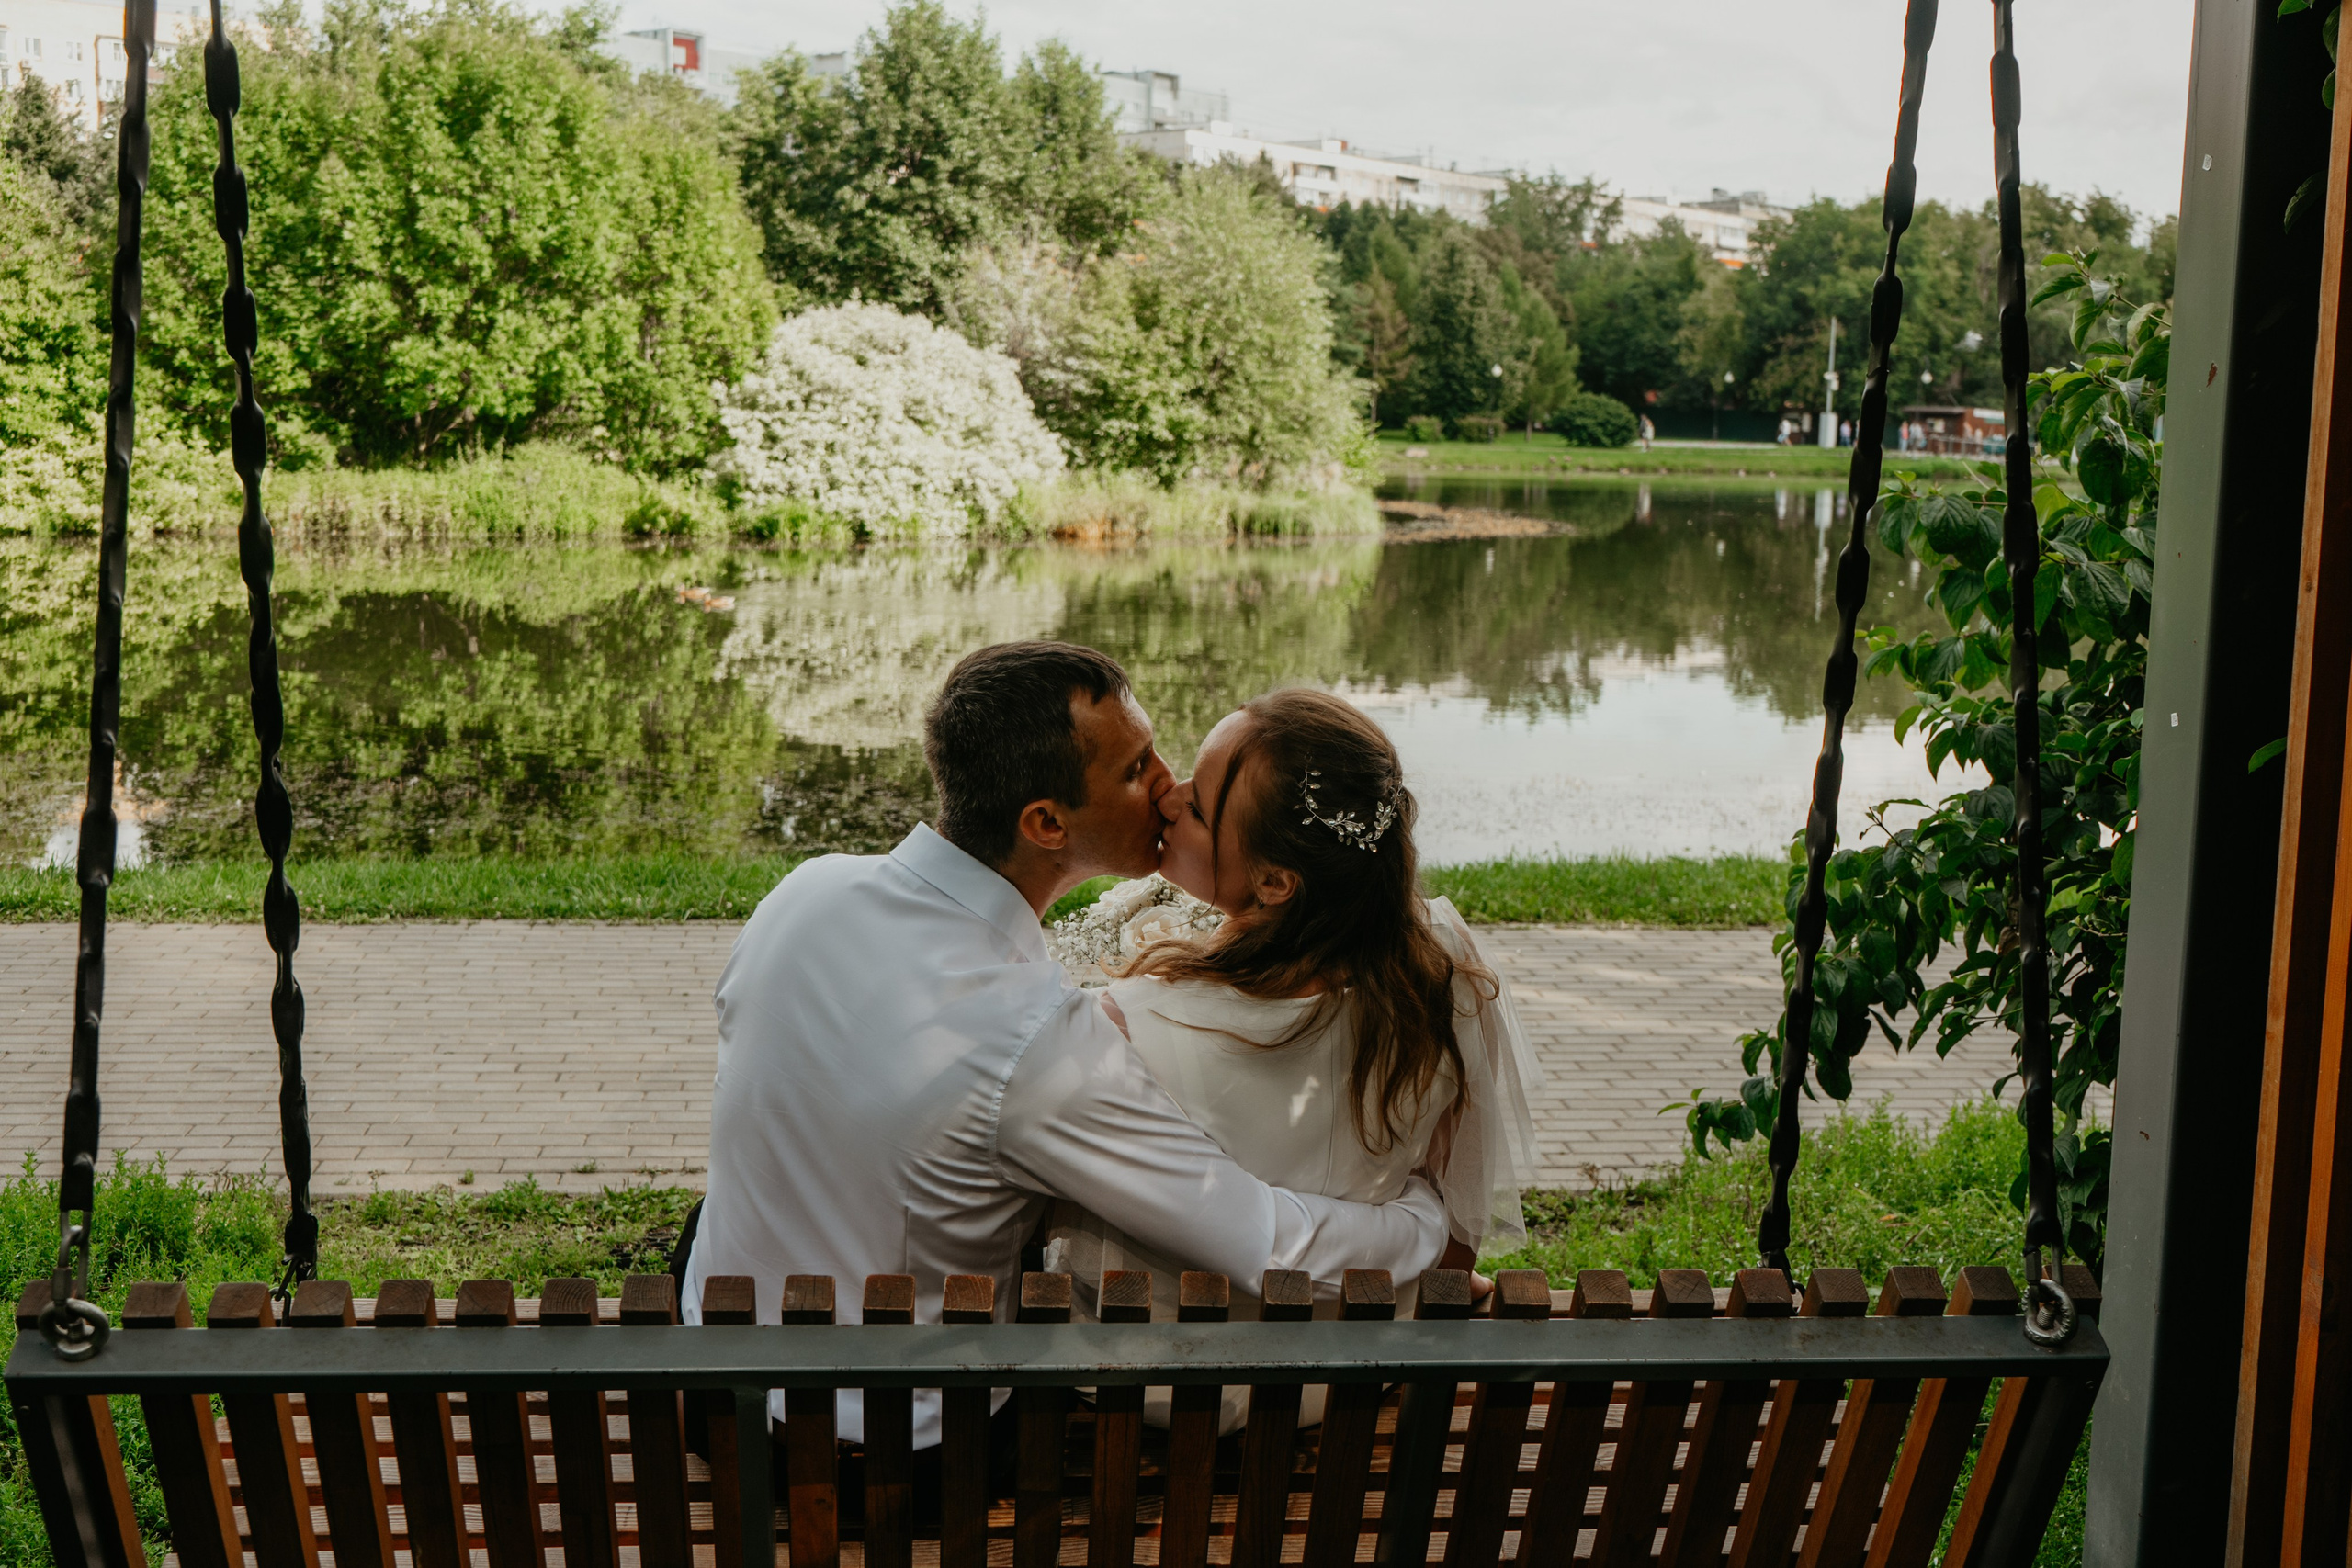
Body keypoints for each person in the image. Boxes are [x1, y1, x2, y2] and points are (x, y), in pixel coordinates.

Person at [682, 643, 1452, 1452]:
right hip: (879, 1441)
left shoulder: (804, 890)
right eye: (1137, 768)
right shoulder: (1040, 1043)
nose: (1167, 785)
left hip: (708, 1370)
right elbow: (1264, 1244)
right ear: (1047, 823)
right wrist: (1423, 1225)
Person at [1047, 688, 1543, 1429]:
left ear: (1277, 882)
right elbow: (1460, 1219)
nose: (1170, 798)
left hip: (1159, 1396)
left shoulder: (1129, 1025)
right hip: (1348, 1376)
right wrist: (1424, 1246)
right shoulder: (1442, 974)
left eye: (1203, 806)